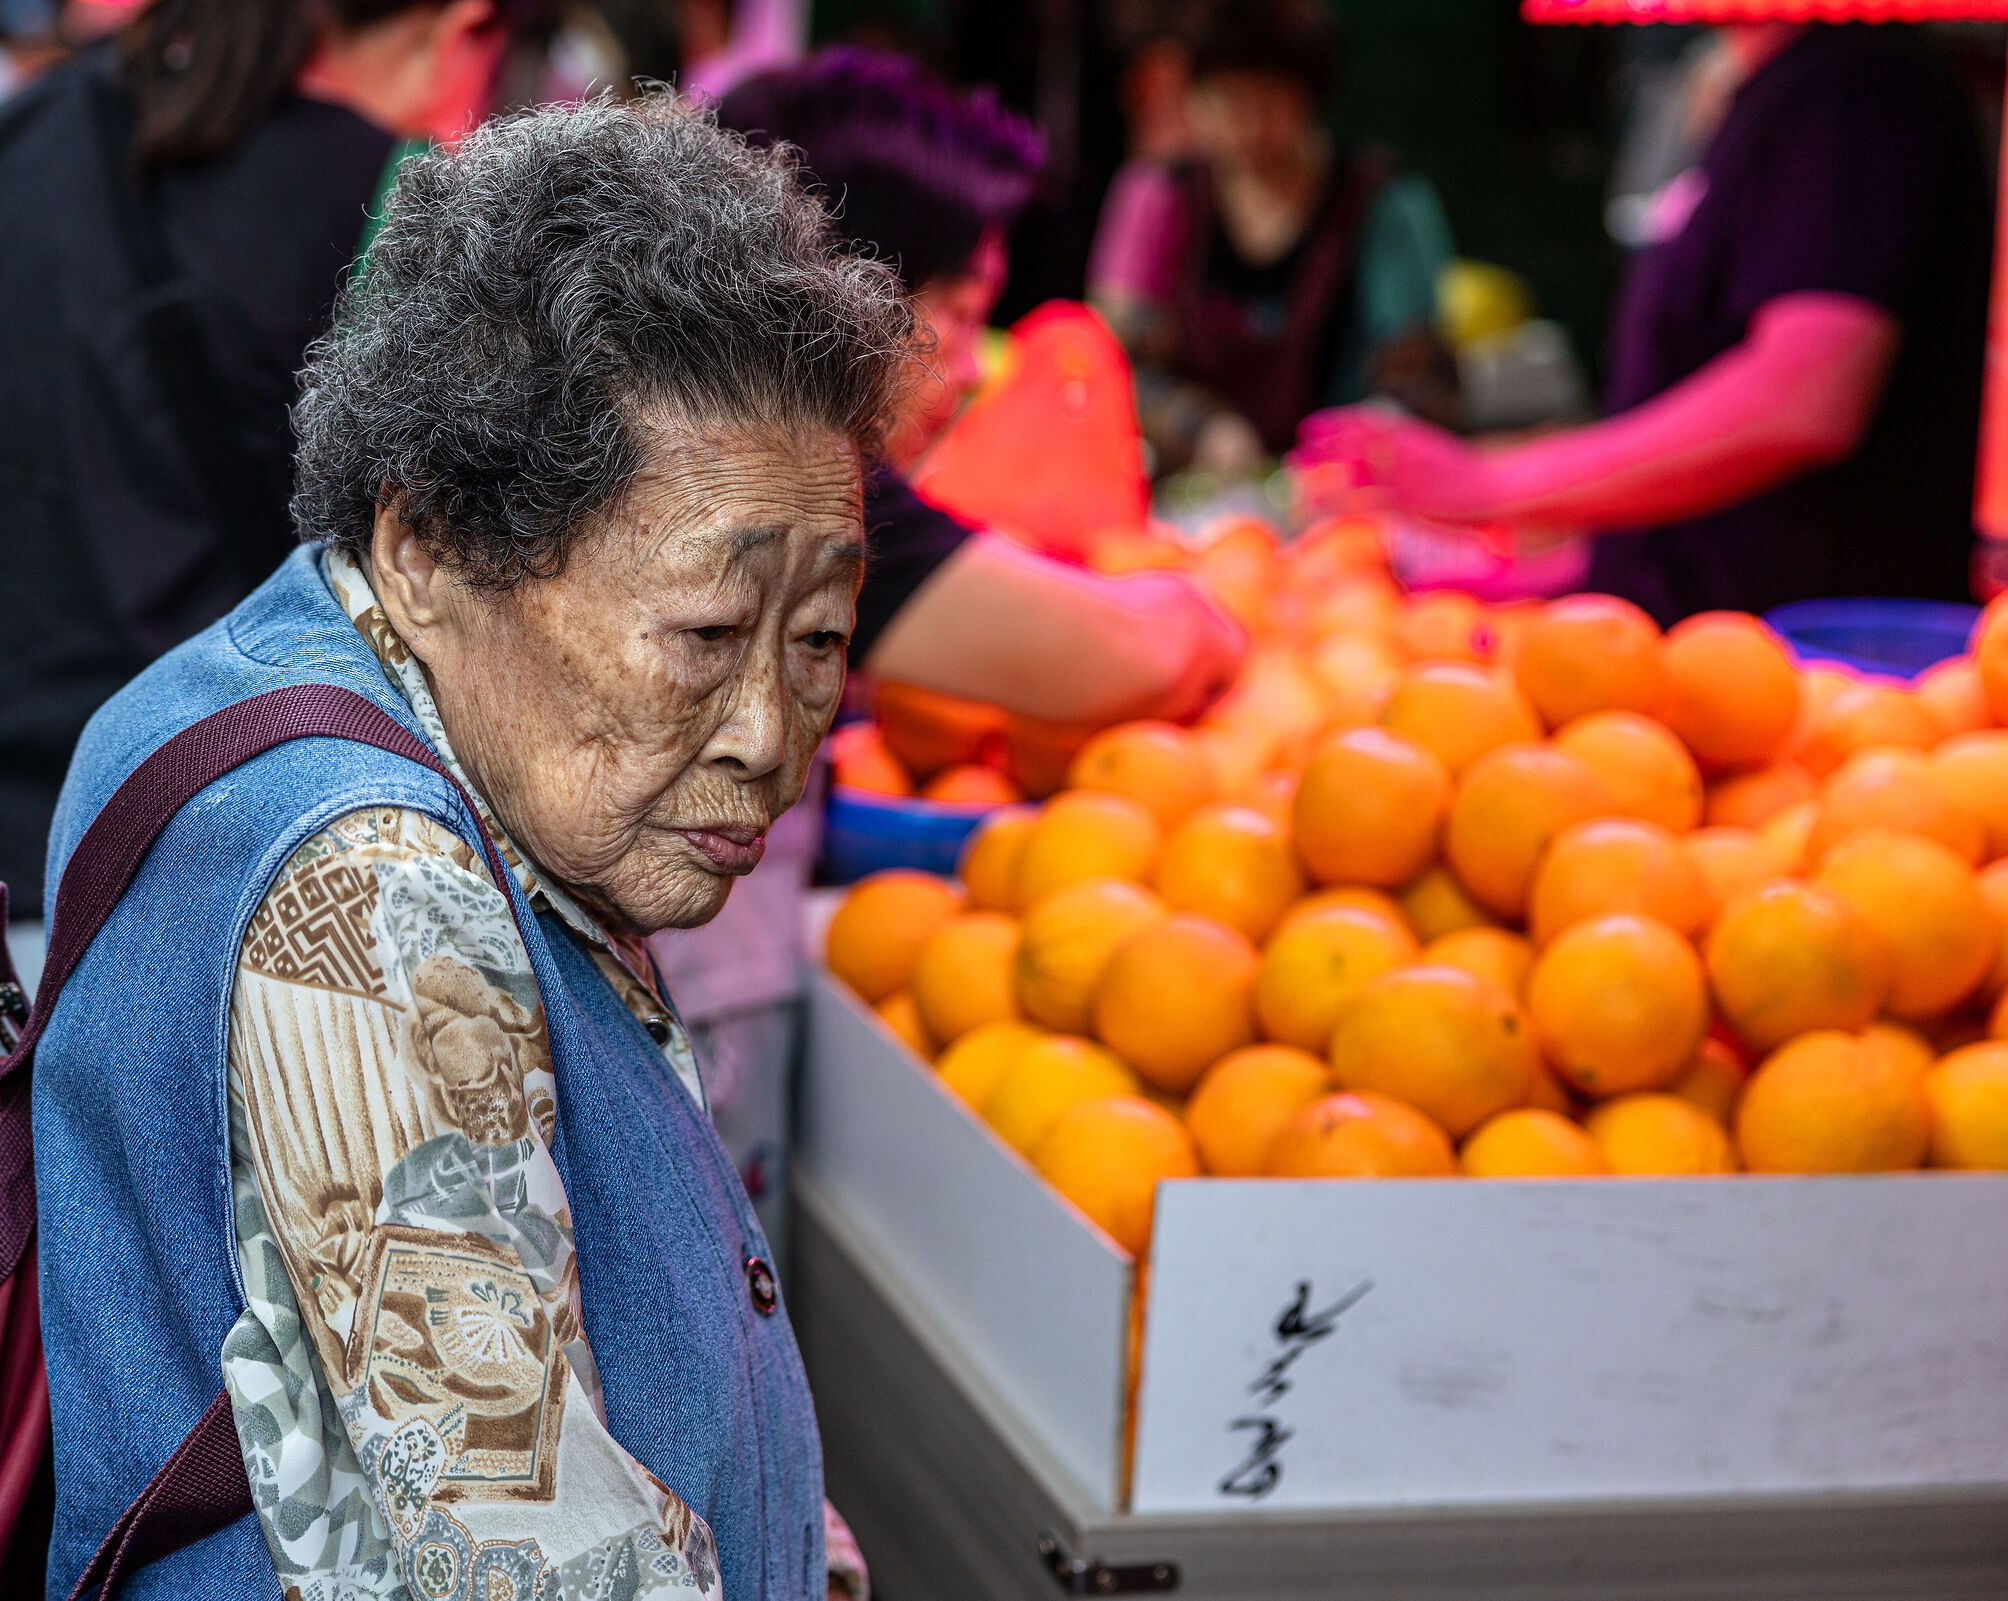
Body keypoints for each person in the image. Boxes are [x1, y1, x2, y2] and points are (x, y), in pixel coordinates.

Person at [34, 95, 901, 1600]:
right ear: (432, 543)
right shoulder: (374, 889)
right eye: (703, 634)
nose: (770, 728)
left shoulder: (334, 675)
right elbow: (540, 1566)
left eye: (818, 638)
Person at [0, 0, 522, 1393]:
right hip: (142, 934)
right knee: (97, 1455)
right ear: (460, 27)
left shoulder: (56, 117)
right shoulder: (402, 219)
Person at [680, 47, 1242, 1251]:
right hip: (687, 1012)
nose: (974, 365)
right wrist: (1218, 610)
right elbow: (1126, 657)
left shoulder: (677, 427)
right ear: (871, 297)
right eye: (968, 312)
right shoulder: (805, 488)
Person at [1291, 22, 1991, 622]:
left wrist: (1491, 485)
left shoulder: (1847, 90)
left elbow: (1803, 396)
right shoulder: (1775, 89)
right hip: (1699, 654)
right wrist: (1562, 567)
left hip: (1801, 672)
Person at [1087, 0, 1456, 473]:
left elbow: (1419, 377)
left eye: (1267, 96)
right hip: (1192, 487)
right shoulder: (1157, 197)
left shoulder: (1382, 202)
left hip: (1343, 485)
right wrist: (1200, 429)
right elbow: (1111, 361)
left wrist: (1360, 442)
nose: (1247, 120)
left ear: (1310, 94)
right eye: (1226, 97)